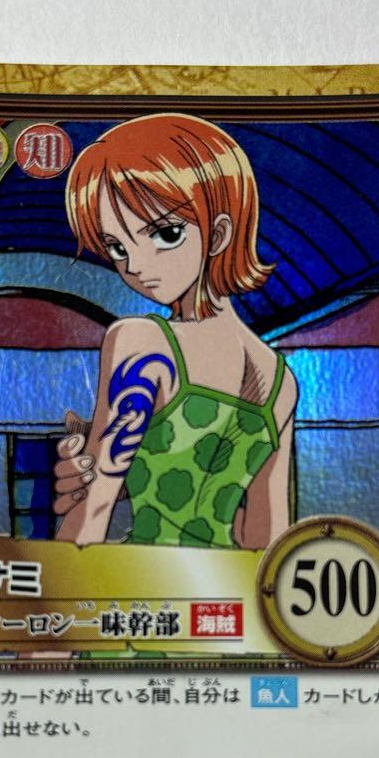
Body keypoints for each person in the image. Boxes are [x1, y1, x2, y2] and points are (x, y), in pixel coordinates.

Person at [53, 112, 297, 551]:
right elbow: (267, 537)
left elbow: (92, 508)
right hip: (227, 586)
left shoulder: (140, 342)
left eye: (165, 233)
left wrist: (54, 587)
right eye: (117, 247)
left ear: (219, 234)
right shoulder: (280, 380)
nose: (135, 264)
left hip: (146, 580)